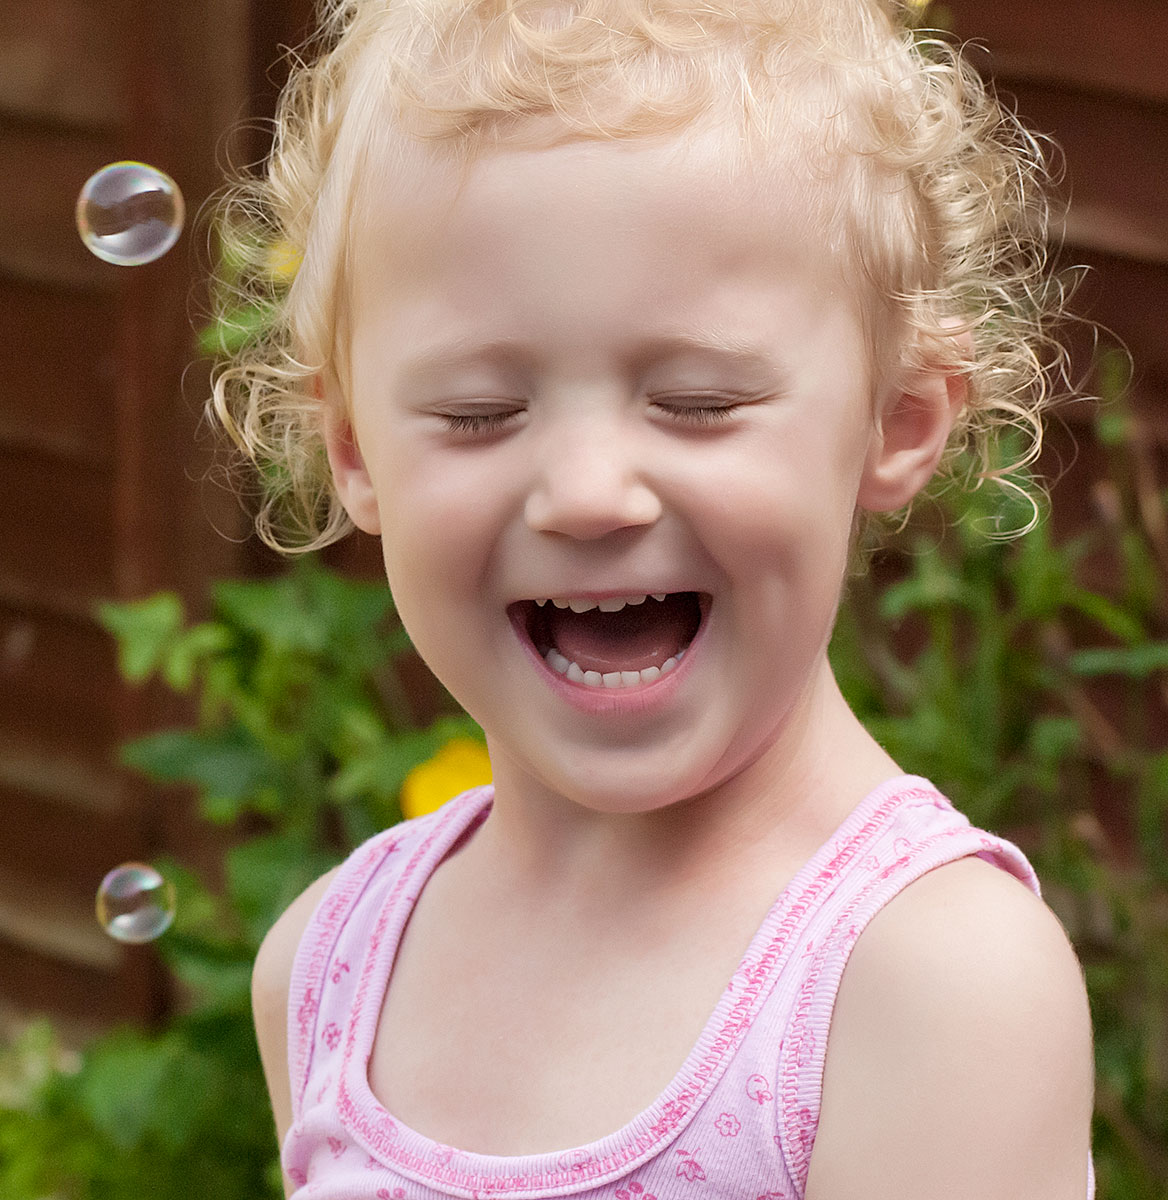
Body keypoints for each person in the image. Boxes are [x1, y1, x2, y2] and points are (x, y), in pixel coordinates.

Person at [213, 1, 1097, 1196]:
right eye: (477, 413)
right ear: (357, 450)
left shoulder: (924, 986)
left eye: (696, 401)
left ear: (896, 420)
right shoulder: (326, 969)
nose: (587, 494)